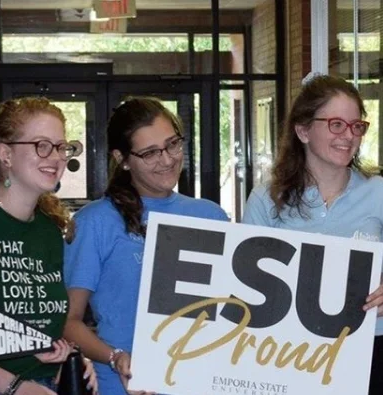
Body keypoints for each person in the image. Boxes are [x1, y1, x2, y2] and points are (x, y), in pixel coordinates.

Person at [63, 97, 229, 395]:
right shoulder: (95, 221)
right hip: (125, 384)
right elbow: (69, 321)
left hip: (200, 381)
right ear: (122, 158)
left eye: (173, 144)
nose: (166, 160)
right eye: (150, 153)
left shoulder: (211, 215)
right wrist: (115, 358)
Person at [241, 74, 383, 395]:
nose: (349, 135)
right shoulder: (266, 200)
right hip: (293, 356)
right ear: (303, 130)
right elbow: (246, 294)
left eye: (356, 126)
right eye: (336, 124)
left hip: (371, 351)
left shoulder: (379, 193)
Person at [0, 97, 96, 395]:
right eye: (42, 145)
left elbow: (45, 325)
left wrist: (72, 355)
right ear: (6, 154)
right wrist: (18, 387)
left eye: (61, 146)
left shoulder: (50, 228)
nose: (55, 157)